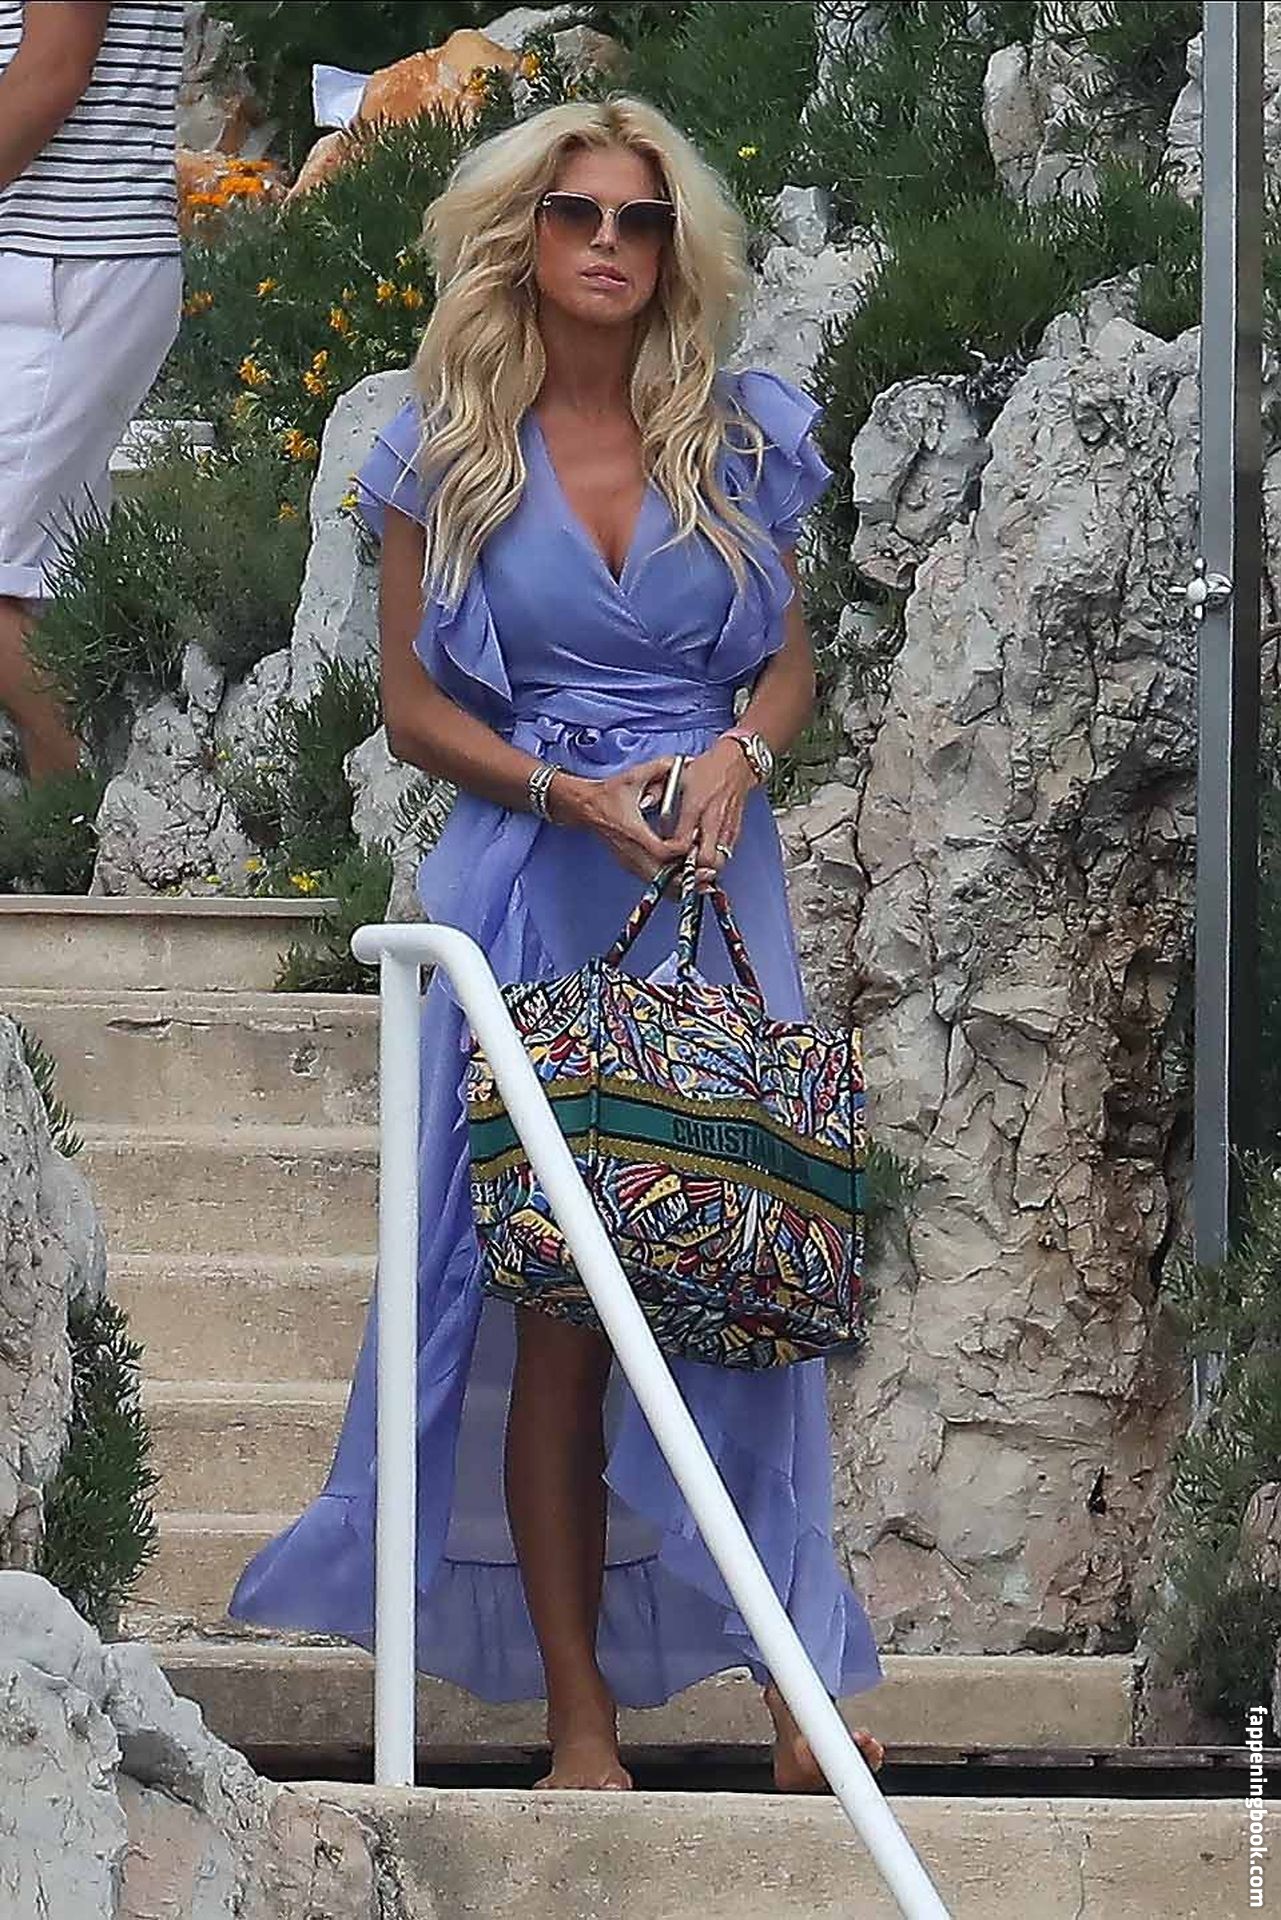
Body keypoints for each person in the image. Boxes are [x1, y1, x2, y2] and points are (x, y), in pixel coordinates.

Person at [230, 94, 886, 1793]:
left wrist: (740, 757)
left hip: (709, 886)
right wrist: (564, 791)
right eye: (577, 214)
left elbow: (787, 670)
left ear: (674, 248)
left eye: (639, 219)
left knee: (740, 1263)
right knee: (551, 1297)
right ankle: (579, 1723)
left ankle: (796, 1686)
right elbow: (408, 706)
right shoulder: (440, 451)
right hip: (528, 886)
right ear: (524, 238)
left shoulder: (738, 437)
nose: (608, 243)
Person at [0, 0, 184, 779]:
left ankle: (85, 820)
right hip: (56, 255)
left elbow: (52, 68)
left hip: (71, 258)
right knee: (46, 592)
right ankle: (76, 827)